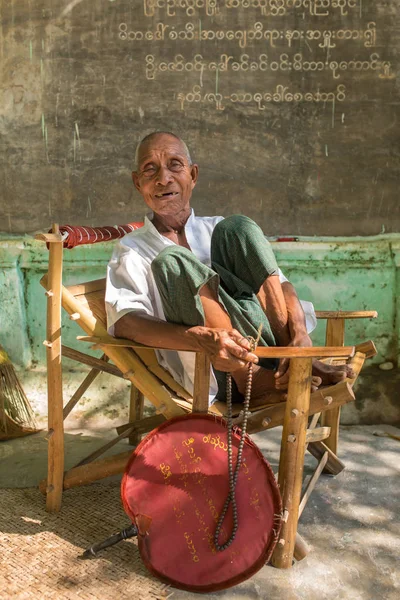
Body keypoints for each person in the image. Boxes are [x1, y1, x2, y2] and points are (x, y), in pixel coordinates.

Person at [106, 132, 353, 406]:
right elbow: (125, 320)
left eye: (175, 164)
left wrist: (300, 334)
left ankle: (294, 360)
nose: (163, 179)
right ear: (137, 183)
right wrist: (203, 339)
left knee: (238, 226)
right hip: (212, 370)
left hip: (272, 346)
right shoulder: (132, 249)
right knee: (171, 261)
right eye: (150, 169)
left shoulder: (216, 228)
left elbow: (281, 286)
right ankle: (254, 379)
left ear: (193, 175)